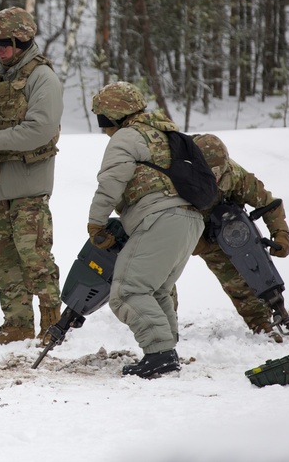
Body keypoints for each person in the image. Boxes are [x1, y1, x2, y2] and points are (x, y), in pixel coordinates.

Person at [0, 7, 63, 345]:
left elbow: (39, 130)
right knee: (3, 258)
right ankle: (16, 323)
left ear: (23, 40)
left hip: (29, 180)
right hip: (0, 183)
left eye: (5, 43)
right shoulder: (1, 78)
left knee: (34, 253)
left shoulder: (41, 78)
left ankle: (52, 322)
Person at [87, 81, 204, 379]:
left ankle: (160, 355)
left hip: (160, 219)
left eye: (103, 120)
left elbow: (112, 182)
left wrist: (96, 222)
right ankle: (167, 350)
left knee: (128, 292)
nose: (103, 129)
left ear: (116, 114)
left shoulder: (127, 136)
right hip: (190, 219)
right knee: (157, 290)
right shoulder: (166, 133)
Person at [190, 133, 289, 340]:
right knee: (161, 279)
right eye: (209, 174)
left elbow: (268, 203)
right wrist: (198, 244)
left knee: (243, 273)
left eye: (219, 172)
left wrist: (281, 235)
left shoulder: (236, 176)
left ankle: (262, 323)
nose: (215, 178)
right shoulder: (177, 180)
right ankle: (163, 334)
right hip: (183, 230)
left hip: (221, 227)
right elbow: (164, 222)